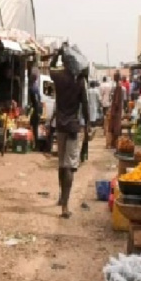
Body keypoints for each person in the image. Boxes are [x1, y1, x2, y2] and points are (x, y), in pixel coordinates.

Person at [50, 45, 89, 218]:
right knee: (70, 166)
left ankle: (61, 196)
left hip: (60, 126)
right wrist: (88, 125)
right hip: (73, 127)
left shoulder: (59, 77)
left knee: (61, 164)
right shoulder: (80, 81)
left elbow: (51, 67)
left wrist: (57, 54)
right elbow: (86, 105)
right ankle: (65, 206)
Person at [108, 71, 124, 149]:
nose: (114, 78)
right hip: (117, 110)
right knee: (115, 127)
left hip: (116, 111)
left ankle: (114, 144)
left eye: (115, 76)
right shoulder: (118, 85)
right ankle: (114, 143)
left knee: (115, 127)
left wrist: (113, 110)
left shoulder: (118, 86)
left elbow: (117, 101)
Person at [29, 67, 42, 148]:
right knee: (34, 126)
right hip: (36, 108)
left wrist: (37, 110)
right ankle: (34, 143)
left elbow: (37, 100)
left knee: (34, 126)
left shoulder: (33, 88)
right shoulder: (35, 86)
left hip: (36, 109)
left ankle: (36, 144)